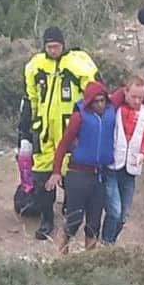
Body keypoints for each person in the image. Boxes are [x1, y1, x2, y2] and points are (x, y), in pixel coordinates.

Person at [20, 26, 100, 240]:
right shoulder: (36, 66)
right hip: (44, 132)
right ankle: (47, 220)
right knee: (43, 177)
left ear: (63, 44)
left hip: (71, 133)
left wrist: (90, 124)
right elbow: (30, 97)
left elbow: (95, 93)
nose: (53, 50)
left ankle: (70, 212)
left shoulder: (77, 64)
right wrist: (26, 129)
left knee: (71, 176)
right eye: (49, 47)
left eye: (56, 46)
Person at [45, 82, 115, 254]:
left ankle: (88, 263)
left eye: (102, 100)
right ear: (89, 102)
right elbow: (63, 144)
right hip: (78, 175)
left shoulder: (110, 111)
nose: (100, 105)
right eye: (96, 101)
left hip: (99, 176)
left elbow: (130, 90)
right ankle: (62, 255)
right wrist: (56, 172)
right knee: (73, 220)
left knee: (94, 223)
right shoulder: (79, 117)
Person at [101, 76, 144, 244]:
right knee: (115, 211)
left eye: (141, 97)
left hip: (130, 169)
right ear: (125, 92)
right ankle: (106, 243)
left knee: (124, 215)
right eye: (134, 97)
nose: (138, 101)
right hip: (112, 167)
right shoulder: (114, 109)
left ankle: (111, 240)